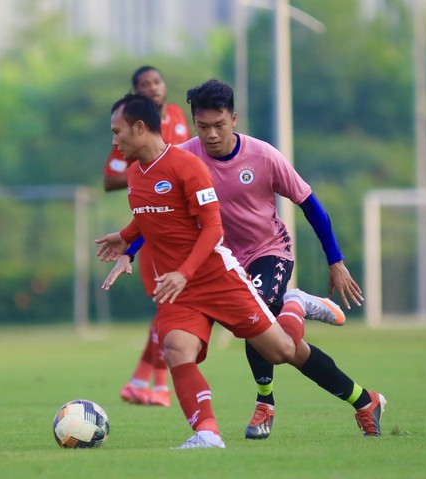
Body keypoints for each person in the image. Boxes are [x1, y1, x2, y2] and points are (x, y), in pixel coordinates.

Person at [96, 93, 385, 449]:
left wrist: (335, 260)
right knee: (176, 349)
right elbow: (156, 216)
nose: (211, 134)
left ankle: (291, 307)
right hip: (182, 282)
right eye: (203, 126)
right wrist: (127, 244)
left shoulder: (211, 162)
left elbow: (218, 228)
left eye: (117, 131)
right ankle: (207, 432)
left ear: (233, 119)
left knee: (280, 350)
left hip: (235, 266)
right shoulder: (141, 172)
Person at [103, 66, 191, 408]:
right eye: (145, 85)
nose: (153, 88)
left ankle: (147, 383)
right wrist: (153, 172)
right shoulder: (129, 133)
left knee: (169, 306)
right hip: (155, 226)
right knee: (167, 304)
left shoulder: (178, 116)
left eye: (157, 81)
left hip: (183, 224)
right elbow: (109, 179)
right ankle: (152, 383)